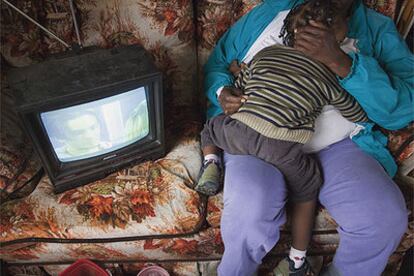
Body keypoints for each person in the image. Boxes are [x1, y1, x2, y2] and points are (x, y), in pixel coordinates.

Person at [203, 0, 413, 275]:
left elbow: (403, 108)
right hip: (257, 131)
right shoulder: (272, 12)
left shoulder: (376, 28)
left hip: (339, 145)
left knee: (382, 218)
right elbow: (218, 64)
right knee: (249, 210)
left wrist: (342, 63)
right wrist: (223, 91)